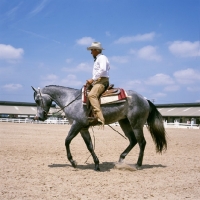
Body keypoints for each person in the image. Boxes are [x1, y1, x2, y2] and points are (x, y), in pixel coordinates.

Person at [86, 42, 110, 126]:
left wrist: (92, 79)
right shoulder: (98, 59)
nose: (91, 52)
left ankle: (99, 117)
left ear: (96, 50)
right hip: (98, 80)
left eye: (92, 50)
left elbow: (103, 70)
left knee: (92, 95)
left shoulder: (102, 58)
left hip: (102, 81)